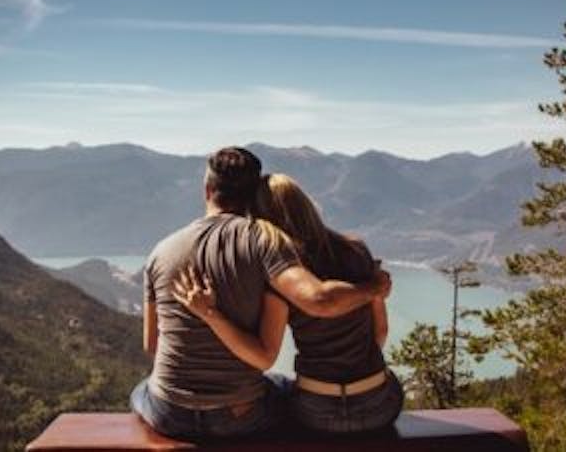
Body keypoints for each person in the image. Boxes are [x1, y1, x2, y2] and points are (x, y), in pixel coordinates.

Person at [130, 148, 391, 440]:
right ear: (253, 195)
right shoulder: (265, 242)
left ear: (207, 190)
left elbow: (152, 345)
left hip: (169, 413)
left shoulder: (160, 252)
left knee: (141, 391)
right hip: (240, 415)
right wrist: (374, 288)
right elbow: (317, 302)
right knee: (279, 386)